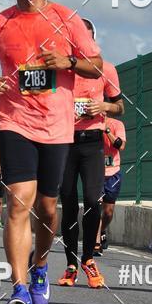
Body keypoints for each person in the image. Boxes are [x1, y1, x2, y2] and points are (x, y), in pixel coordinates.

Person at [0, 0, 102, 304]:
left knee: (48, 209)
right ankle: (18, 289)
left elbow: (96, 65)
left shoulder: (67, 19)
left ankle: (41, 265)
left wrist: (68, 62)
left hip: (58, 127)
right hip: (14, 121)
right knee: (19, 202)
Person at [58, 19, 123, 288]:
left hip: (92, 141)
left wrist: (103, 107)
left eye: (86, 38)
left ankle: (88, 258)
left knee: (93, 201)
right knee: (69, 203)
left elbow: (120, 106)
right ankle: (71, 264)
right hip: (62, 141)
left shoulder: (106, 69)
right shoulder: (61, 70)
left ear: (93, 41)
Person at [94, 116, 127, 256]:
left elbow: (121, 145)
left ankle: (102, 230)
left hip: (113, 173)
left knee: (108, 212)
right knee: (96, 206)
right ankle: (96, 244)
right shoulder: (90, 124)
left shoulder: (116, 124)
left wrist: (107, 130)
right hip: (95, 172)